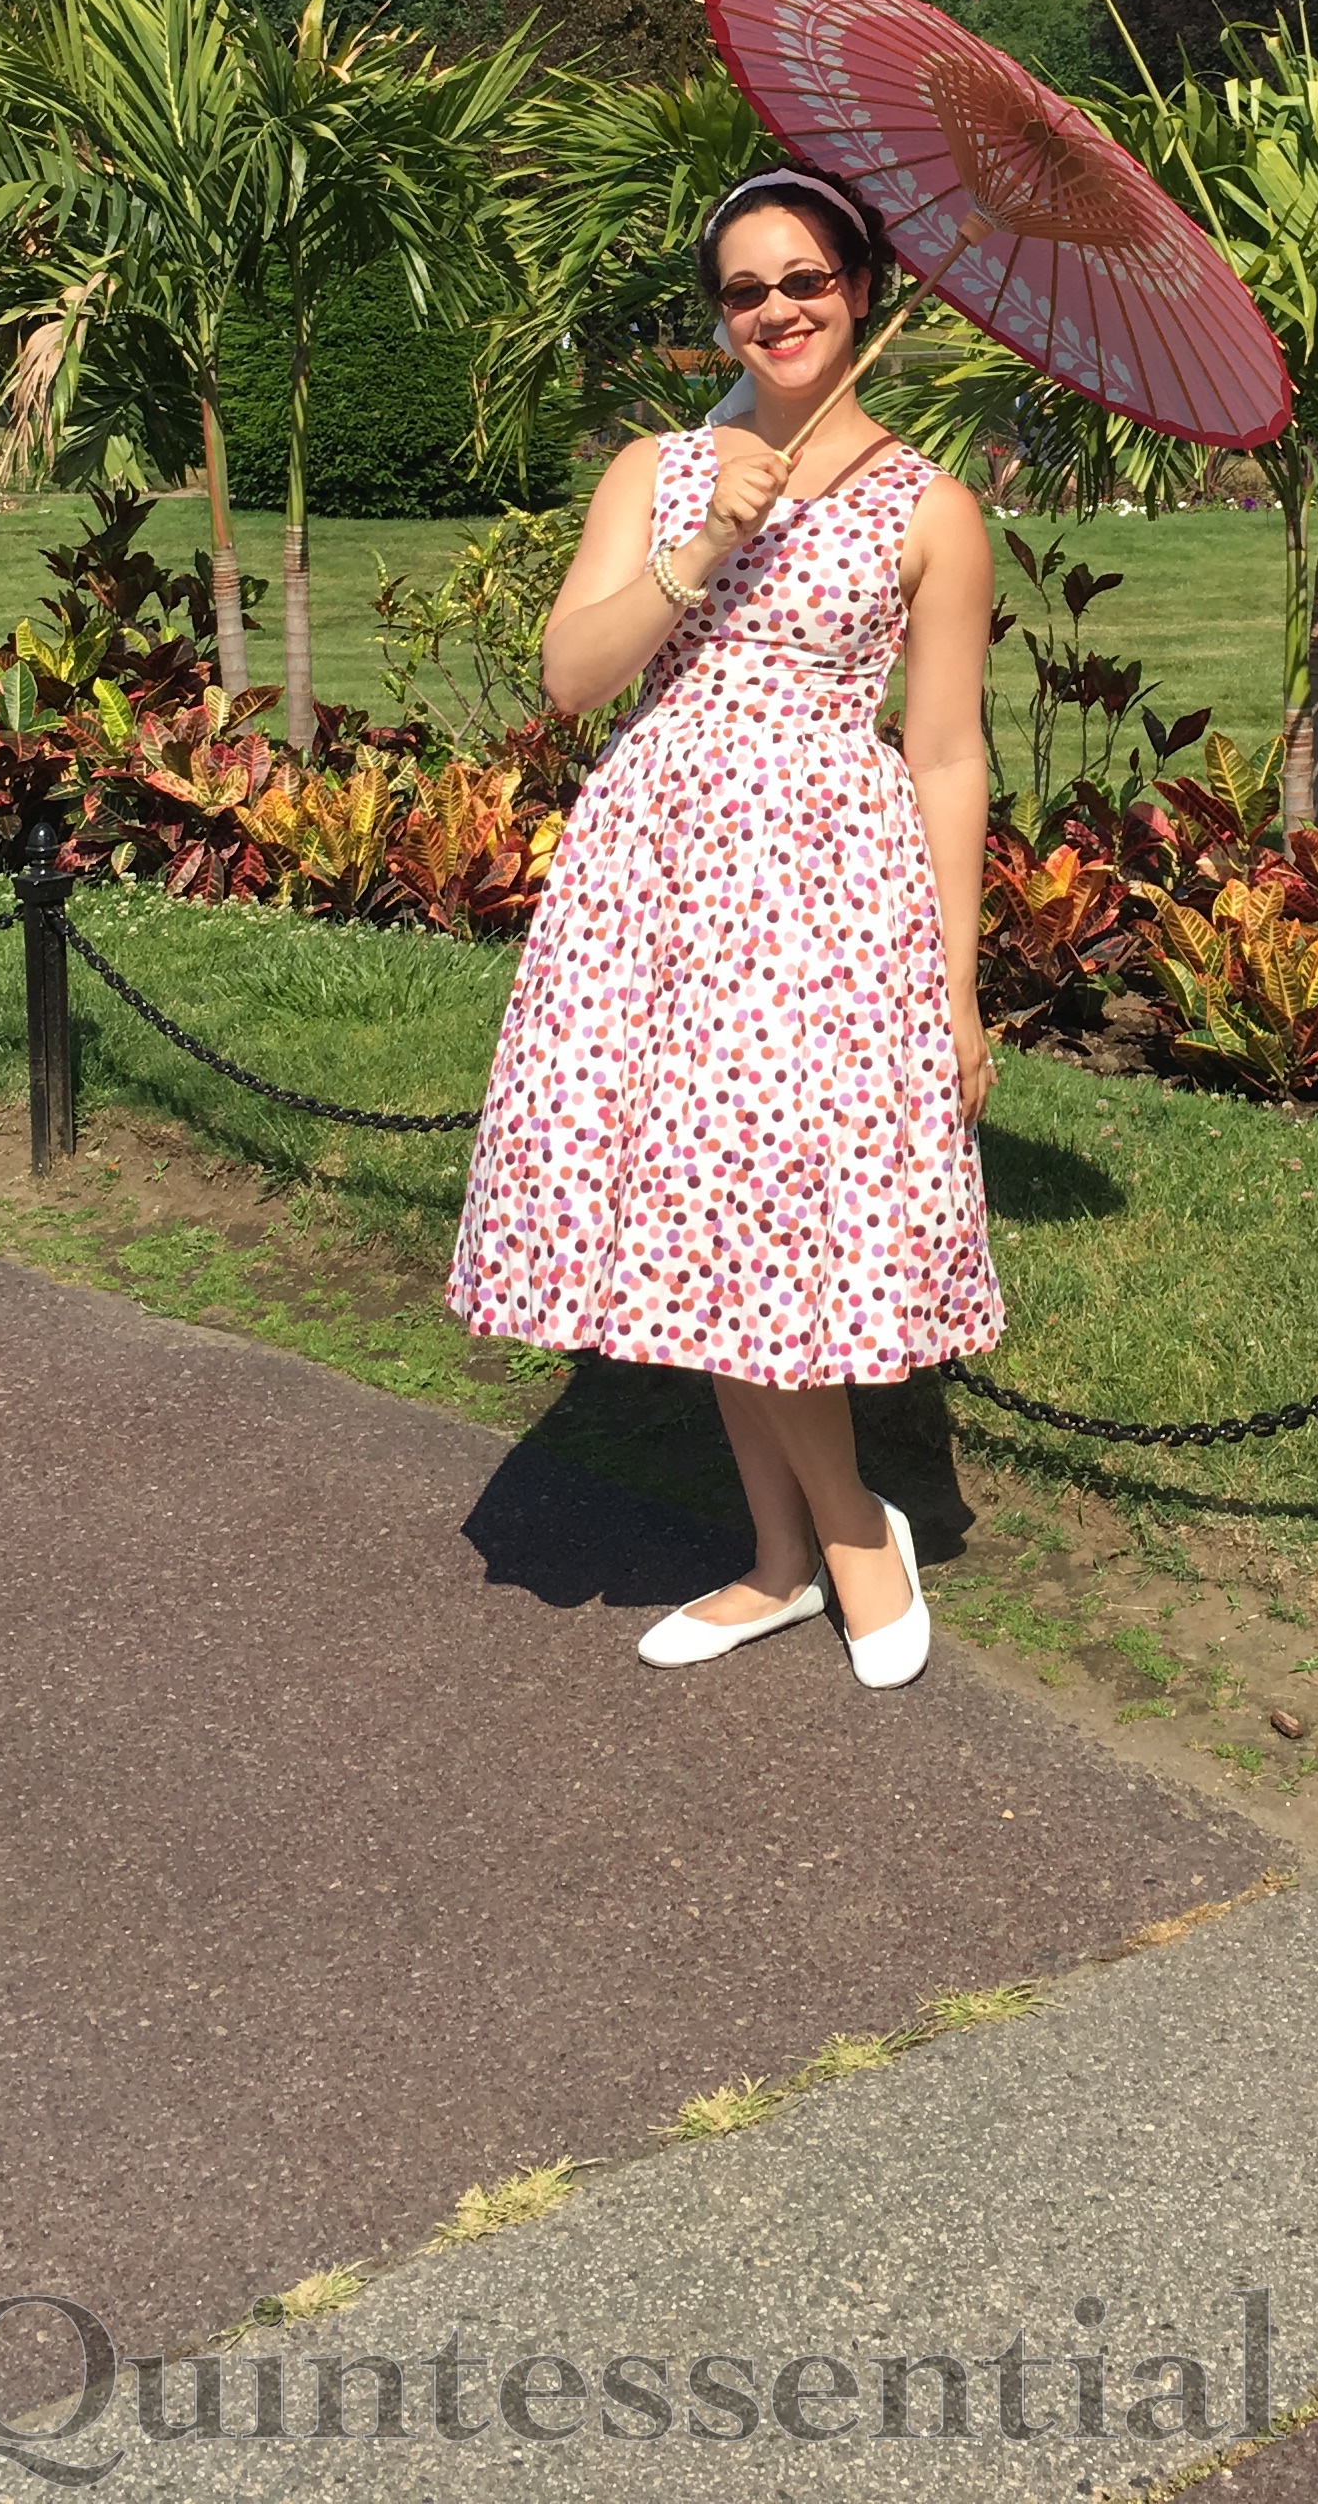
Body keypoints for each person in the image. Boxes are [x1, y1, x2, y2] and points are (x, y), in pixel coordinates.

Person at [447, 164, 1000, 1689]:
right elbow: (571, 677)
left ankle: (846, 1538)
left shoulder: (934, 510)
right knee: (687, 1206)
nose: (778, 310)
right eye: (748, 289)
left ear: (861, 292)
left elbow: (948, 752)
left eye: (807, 280)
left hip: (822, 896)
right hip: (656, 880)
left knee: (759, 1204)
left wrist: (957, 985)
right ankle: (792, 1555)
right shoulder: (658, 469)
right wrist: (697, 548)